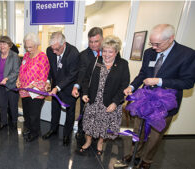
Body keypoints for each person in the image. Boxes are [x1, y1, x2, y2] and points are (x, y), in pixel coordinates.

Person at [115, 24, 195, 169]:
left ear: (171, 39)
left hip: (165, 103)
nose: (153, 47)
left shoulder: (187, 54)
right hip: (144, 99)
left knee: (155, 134)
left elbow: (188, 82)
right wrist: (131, 86)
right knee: (138, 129)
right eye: (151, 43)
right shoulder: (149, 52)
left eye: (157, 44)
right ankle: (135, 154)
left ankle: (146, 160)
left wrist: (159, 81)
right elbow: (143, 74)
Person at [79, 35, 130, 155]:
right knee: (88, 124)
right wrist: (85, 93)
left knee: (104, 126)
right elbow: (86, 79)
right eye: (104, 51)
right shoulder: (96, 61)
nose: (106, 54)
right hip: (94, 100)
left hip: (110, 102)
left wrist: (115, 102)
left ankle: (100, 143)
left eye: (110, 52)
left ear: (116, 52)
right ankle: (88, 141)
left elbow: (124, 85)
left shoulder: (122, 64)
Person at [42, 32, 79, 146]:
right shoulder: (50, 50)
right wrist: (48, 81)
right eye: (53, 49)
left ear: (64, 44)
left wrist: (58, 87)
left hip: (69, 87)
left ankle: (67, 134)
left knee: (70, 112)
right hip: (55, 86)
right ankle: (53, 130)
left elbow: (72, 75)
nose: (54, 52)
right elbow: (49, 68)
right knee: (55, 108)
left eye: (57, 49)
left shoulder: (73, 53)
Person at [71, 27, 103, 140]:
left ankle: (96, 133)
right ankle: (81, 131)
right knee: (83, 112)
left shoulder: (109, 53)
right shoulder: (83, 55)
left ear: (102, 40)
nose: (93, 44)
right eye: (91, 42)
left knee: (99, 114)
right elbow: (81, 74)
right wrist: (76, 86)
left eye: (96, 41)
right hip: (87, 90)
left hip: (102, 91)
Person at [16, 33, 50, 142]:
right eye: (26, 47)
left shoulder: (42, 57)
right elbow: (21, 70)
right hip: (24, 90)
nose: (28, 49)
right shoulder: (26, 55)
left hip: (36, 92)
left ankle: (35, 133)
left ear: (37, 45)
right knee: (26, 111)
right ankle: (28, 128)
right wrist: (18, 80)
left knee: (34, 114)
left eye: (30, 47)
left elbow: (43, 77)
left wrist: (32, 85)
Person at [0, 36, 20, 130]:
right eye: (0, 43)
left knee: (13, 105)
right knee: (2, 105)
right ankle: (4, 122)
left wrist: (6, 79)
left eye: (4, 43)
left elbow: (16, 71)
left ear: (9, 45)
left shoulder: (14, 56)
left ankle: (14, 122)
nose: (2, 46)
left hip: (11, 85)